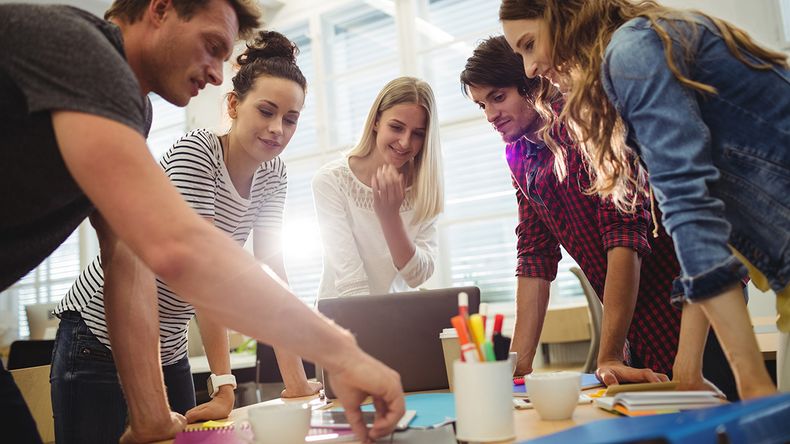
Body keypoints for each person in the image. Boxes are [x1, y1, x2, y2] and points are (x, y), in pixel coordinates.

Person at [0, 2, 404, 443]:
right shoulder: (86, 52)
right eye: (211, 47)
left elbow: (128, 255)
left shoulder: (132, 110)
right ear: (160, 9)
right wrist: (343, 353)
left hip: (164, 345)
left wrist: (151, 413)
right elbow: (182, 250)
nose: (215, 73)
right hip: (92, 340)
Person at [499, 0, 789, 400]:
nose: (530, 68)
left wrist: (751, 382)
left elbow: (692, 210)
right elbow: (708, 219)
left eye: (530, 45)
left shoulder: (632, 53)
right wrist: (688, 365)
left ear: (562, 15)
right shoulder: (636, 49)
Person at [50, 30, 322, 443]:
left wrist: (297, 381)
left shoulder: (274, 174)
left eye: (290, 118)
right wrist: (225, 383)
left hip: (168, 348)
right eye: (266, 111)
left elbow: (273, 273)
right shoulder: (198, 153)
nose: (277, 129)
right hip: (98, 337)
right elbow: (201, 274)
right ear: (233, 104)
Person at [459, 35, 735, 397]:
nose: (491, 115)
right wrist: (518, 367)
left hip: (693, 308)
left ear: (532, 83)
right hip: (635, 326)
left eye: (498, 97)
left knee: (726, 424)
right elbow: (534, 255)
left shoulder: (587, 124)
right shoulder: (519, 156)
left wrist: (607, 355)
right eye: (482, 105)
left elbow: (624, 237)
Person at [312, 77, 444, 299]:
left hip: (390, 321)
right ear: (376, 121)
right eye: (396, 127)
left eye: (418, 134)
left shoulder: (425, 191)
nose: (404, 142)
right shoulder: (331, 181)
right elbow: (350, 279)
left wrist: (390, 218)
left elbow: (418, 276)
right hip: (340, 319)